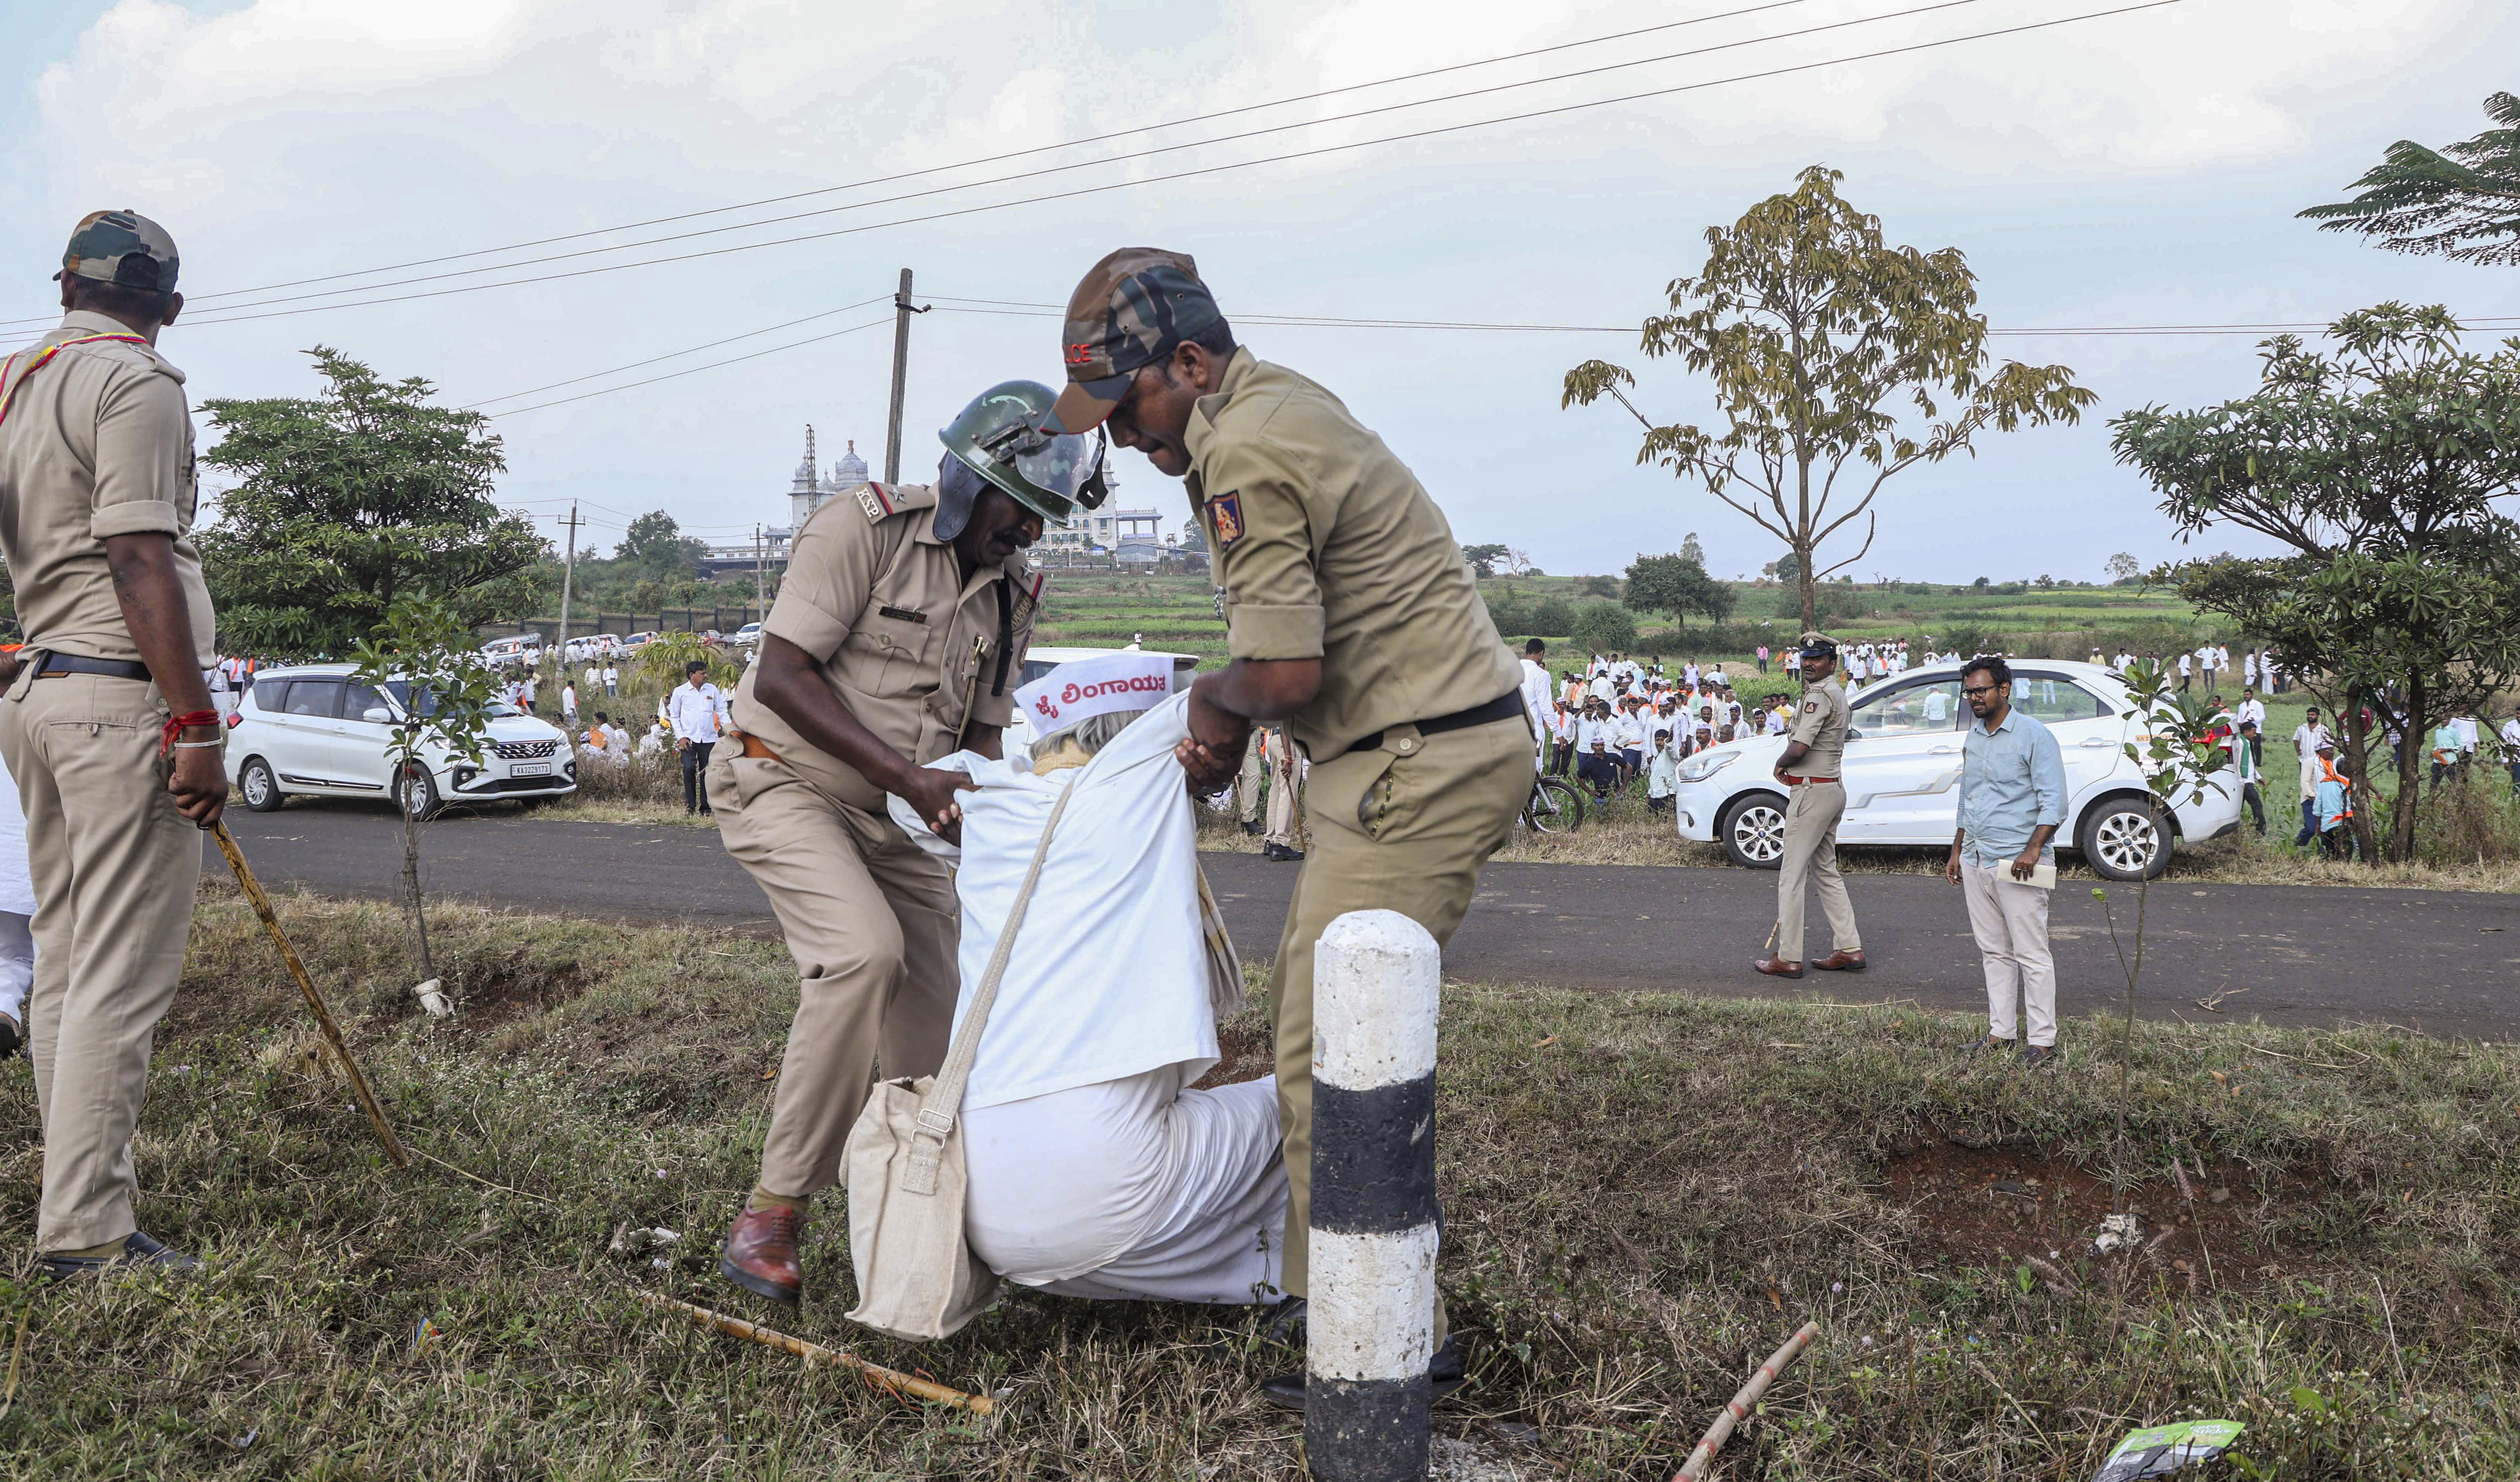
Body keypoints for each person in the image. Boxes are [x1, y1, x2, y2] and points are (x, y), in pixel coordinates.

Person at [1053, 247, 1518, 1407]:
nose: (1123, 439)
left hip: (1414, 765)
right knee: (1328, 1039)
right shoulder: (1276, 403)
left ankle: (1376, 1340)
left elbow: (1283, 664)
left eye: (1130, 404)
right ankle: (1333, 1300)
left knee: (1336, 1055)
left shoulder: (1243, 446)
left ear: (1192, 363)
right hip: (1411, 751)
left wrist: (1212, 704)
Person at [708, 379, 1076, 1307]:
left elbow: (983, 741)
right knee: (861, 955)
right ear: (968, 484)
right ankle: (772, 1214)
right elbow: (786, 676)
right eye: (1020, 510)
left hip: (895, 816)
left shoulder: (1014, 591)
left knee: (947, 1001)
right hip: (779, 776)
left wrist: (1000, 818)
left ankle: (911, 1214)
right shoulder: (860, 530)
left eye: (1042, 519)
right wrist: (911, 776)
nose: (1030, 534)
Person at [892, 660, 1285, 1306]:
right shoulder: (1137, 775)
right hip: (1112, 1194)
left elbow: (905, 799)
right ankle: (1333, 1282)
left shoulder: (991, 801)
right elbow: (1234, 691)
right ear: (1155, 744)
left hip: (982, 1213)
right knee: (1328, 1098)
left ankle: (1247, 1275)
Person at [0, 210, 226, 1280]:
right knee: (117, 979)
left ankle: (75, 1188)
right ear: (168, 305)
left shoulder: (16, 379)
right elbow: (139, 559)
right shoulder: (139, 382)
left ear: (63, 285)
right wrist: (195, 726)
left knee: (67, 959)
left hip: (44, 693)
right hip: (120, 703)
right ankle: (89, 1233)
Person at [1945, 655, 2065, 1069]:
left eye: (1982, 690)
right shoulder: (1975, 736)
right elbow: (1969, 797)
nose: (1975, 698)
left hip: (2019, 860)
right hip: (1977, 855)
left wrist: (2033, 849)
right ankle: (2001, 1033)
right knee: (1993, 951)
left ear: (2004, 689)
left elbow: (2055, 802)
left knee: (2031, 952)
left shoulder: (2034, 736)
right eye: (1970, 692)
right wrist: (1958, 848)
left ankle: (2043, 1040)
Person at [1752, 637, 1864, 979]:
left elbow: (1800, 747)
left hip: (1812, 792)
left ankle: (1787, 957)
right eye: (1806, 658)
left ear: (1834, 663)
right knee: (1826, 871)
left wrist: (1780, 765)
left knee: (1791, 877)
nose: (1809, 663)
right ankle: (1849, 948)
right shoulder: (1836, 693)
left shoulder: (1818, 695)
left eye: (1818, 658)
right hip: (1831, 789)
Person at [668, 659, 726, 816]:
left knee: (708, 773)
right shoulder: (680, 692)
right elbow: (674, 717)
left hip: (708, 739)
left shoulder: (711, 690)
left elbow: (721, 711)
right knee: (688, 770)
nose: (706, 676)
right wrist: (681, 737)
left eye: (706, 673)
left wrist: (730, 730)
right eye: (702, 673)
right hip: (689, 739)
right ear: (692, 675)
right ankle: (690, 806)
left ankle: (706, 808)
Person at [1261, 723, 1305, 862]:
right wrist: (1288, 757)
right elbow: (1286, 721)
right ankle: (1280, 843)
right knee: (1287, 792)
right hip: (1287, 742)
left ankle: (1271, 840)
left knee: (1276, 792)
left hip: (1275, 740)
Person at [2313, 742, 2355, 858]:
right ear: (2347, 771)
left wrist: (2318, 825)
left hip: (2326, 825)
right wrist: (2353, 822)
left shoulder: (2324, 784)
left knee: (2332, 854)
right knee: (2346, 853)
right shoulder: (2346, 785)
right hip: (2341, 823)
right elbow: (2347, 806)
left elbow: (2317, 806)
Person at [1517, 639, 1553, 771]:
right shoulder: (1541, 675)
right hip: (1534, 731)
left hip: (1513, 729)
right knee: (1534, 773)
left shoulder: (1512, 670)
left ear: (1526, 652)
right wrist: (1558, 733)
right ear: (1541, 653)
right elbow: (1546, 708)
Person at [2234, 720, 2267, 834]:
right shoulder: (2241, 743)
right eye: (2254, 732)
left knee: (2239, 808)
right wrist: (2240, 780)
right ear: (2246, 732)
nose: (2255, 735)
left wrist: (2259, 777)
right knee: (2257, 805)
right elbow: (2238, 763)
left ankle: (2236, 832)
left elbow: (2250, 763)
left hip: (2248, 780)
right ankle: (2261, 831)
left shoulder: (2248, 743)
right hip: (2245, 781)